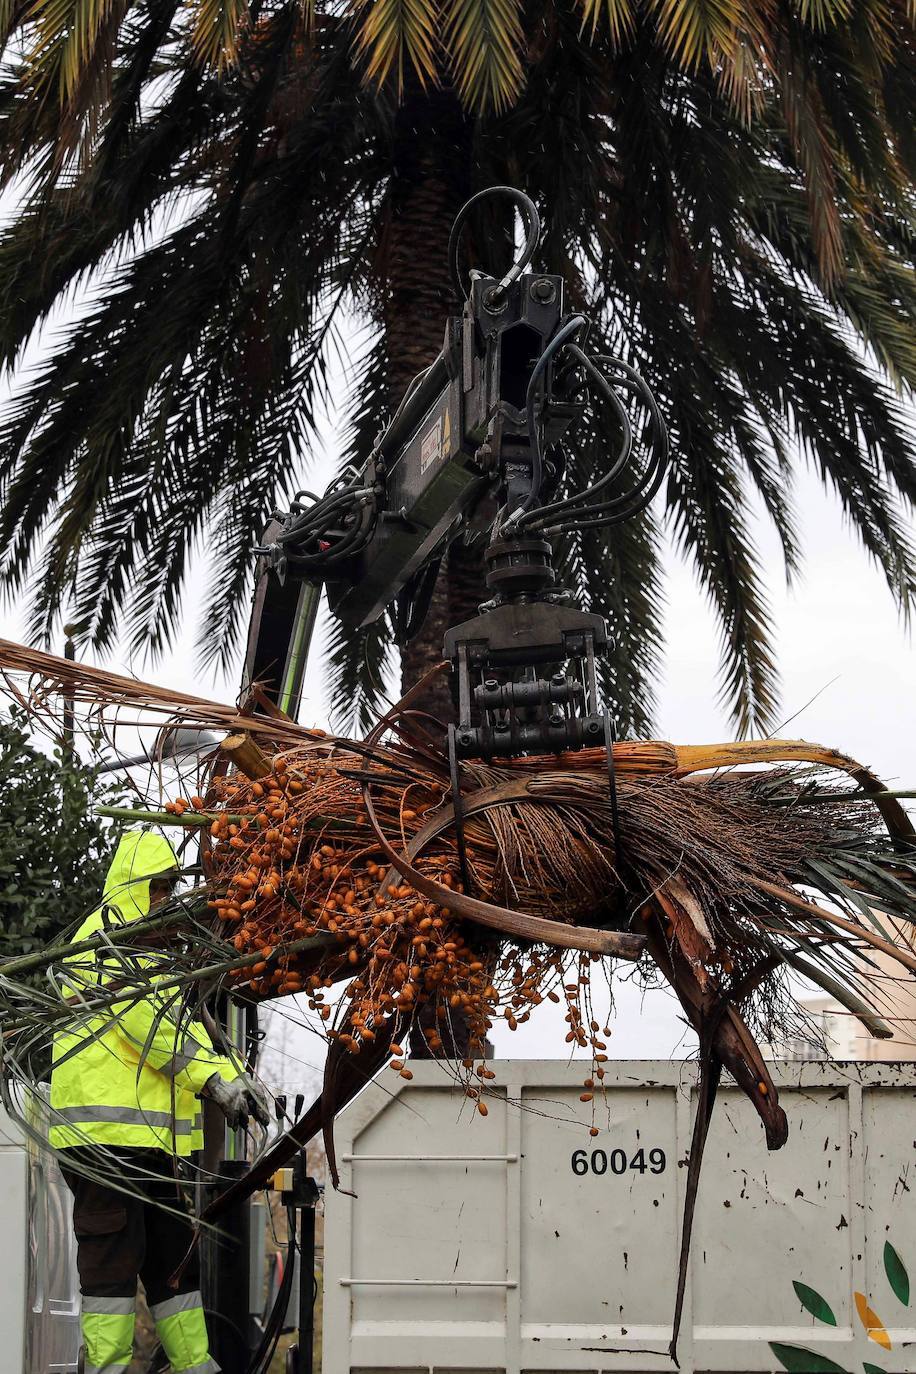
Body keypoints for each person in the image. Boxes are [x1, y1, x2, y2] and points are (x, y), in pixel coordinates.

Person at [50, 830, 270, 1374]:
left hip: (151, 1152)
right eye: (159, 889)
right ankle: (107, 1368)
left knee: (176, 1269)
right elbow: (150, 1031)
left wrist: (234, 1078)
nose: (166, 902)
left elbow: (181, 1031)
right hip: (107, 1151)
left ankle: (197, 1365)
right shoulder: (106, 946)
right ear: (133, 886)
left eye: (170, 889)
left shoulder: (150, 956)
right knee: (112, 1276)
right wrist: (219, 1084)